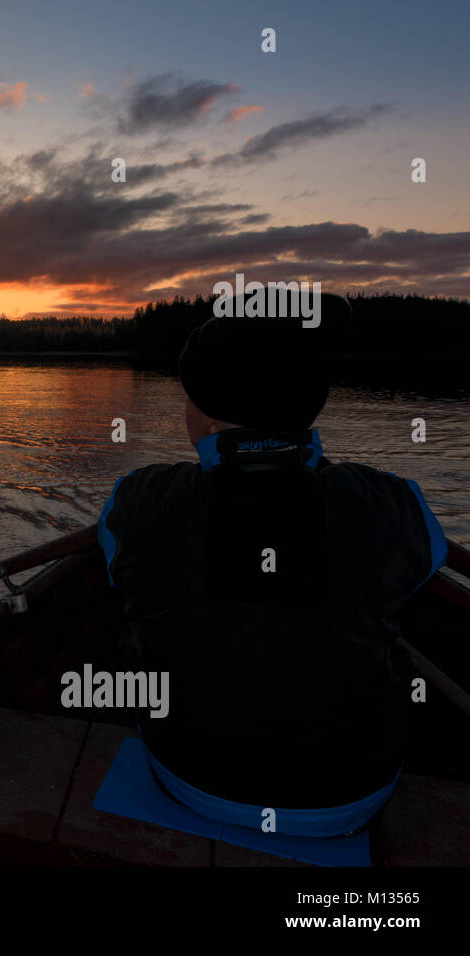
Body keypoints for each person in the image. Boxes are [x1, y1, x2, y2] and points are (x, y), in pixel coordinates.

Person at [97, 297, 447, 836]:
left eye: (186, 399)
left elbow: (121, 573)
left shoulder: (138, 500)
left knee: (134, 636)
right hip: (352, 794)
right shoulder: (394, 502)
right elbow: (422, 574)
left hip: (189, 776)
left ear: (208, 417)